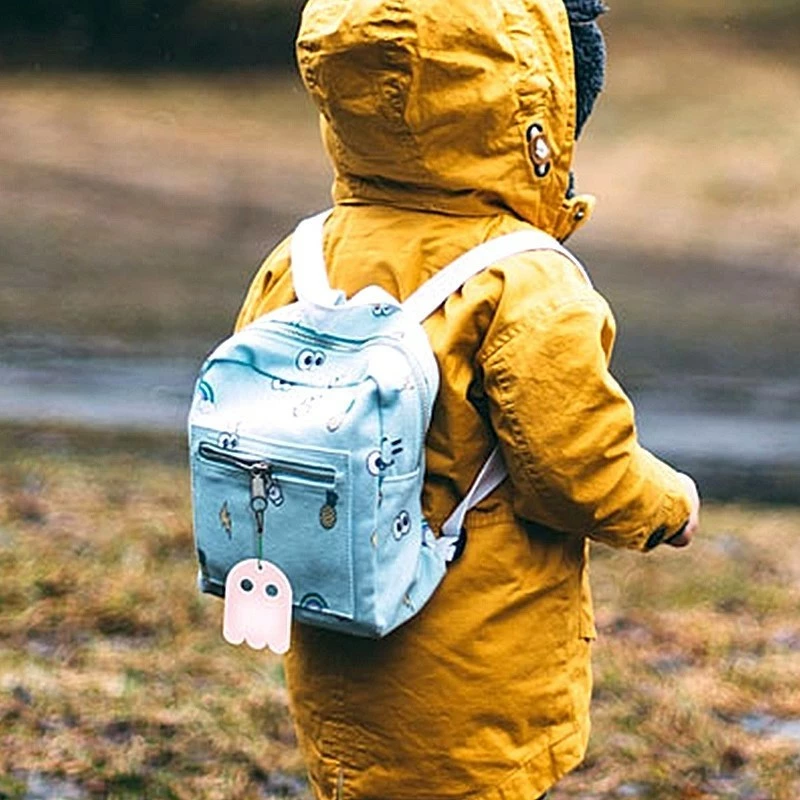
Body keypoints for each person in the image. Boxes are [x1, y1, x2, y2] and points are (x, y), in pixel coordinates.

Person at [234, 0, 701, 797]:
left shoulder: (304, 255)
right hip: (476, 672)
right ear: (533, 110)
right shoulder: (523, 280)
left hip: (334, 641)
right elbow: (577, 469)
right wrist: (668, 505)